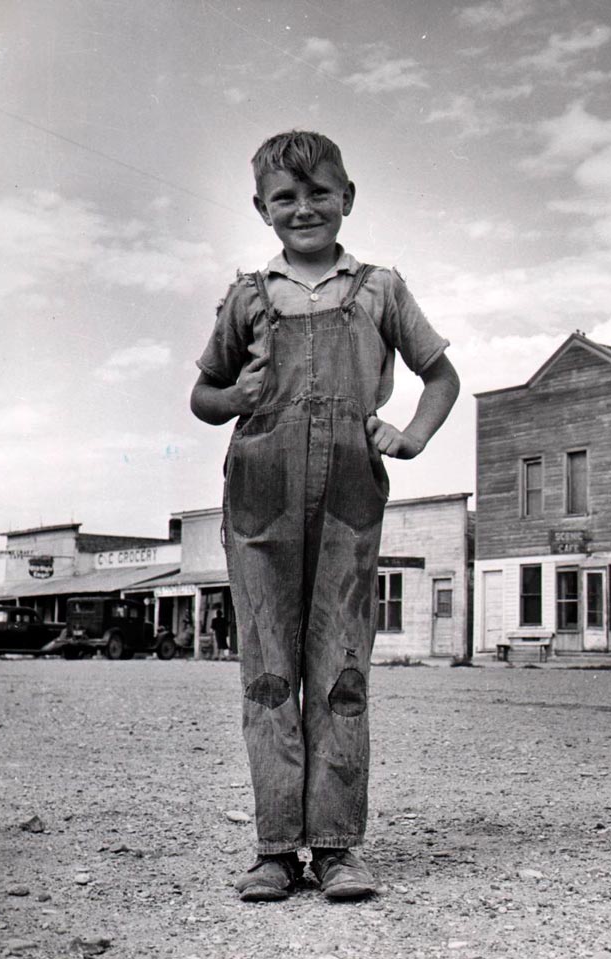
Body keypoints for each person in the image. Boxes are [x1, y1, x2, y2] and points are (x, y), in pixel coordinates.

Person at [190, 130, 459, 902]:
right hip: (260, 497)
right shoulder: (245, 296)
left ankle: (337, 846)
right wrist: (233, 399)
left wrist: (409, 434)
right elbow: (203, 395)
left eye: (320, 193)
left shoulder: (379, 288)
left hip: (348, 497)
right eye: (286, 196)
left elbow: (440, 376)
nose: (304, 208)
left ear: (348, 197)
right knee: (269, 672)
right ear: (261, 208)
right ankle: (277, 847)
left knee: (341, 669)